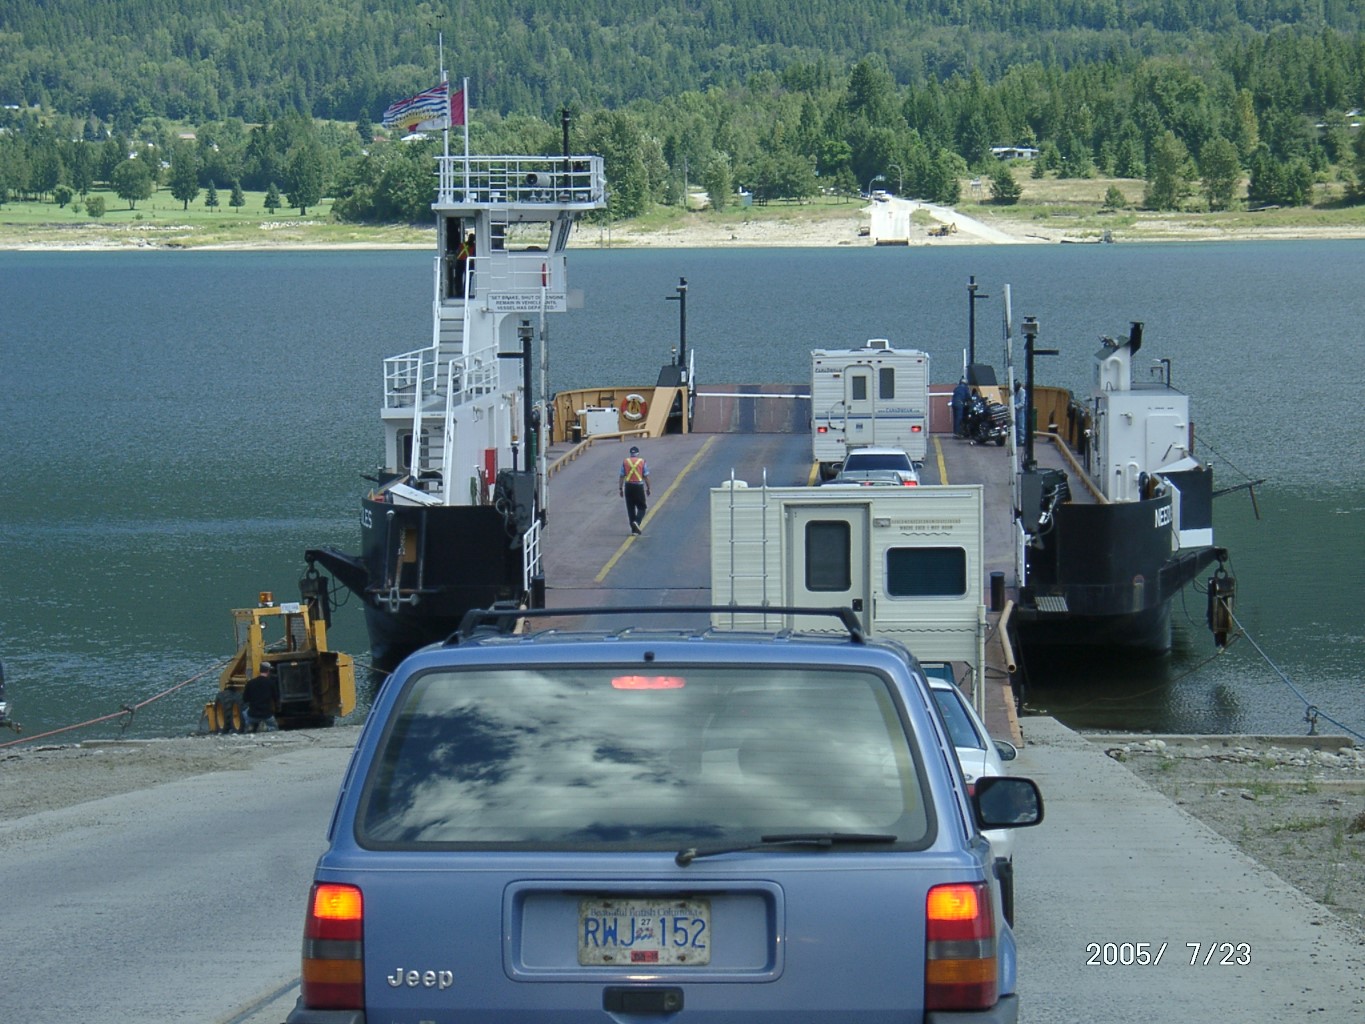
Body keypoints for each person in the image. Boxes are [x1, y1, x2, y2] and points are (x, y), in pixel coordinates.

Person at [619, 445, 651, 534]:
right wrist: (648, 488)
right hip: (638, 486)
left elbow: (621, 476)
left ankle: (633, 530)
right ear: (638, 453)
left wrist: (620, 488)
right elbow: (646, 476)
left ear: (630, 453)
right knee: (642, 507)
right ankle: (637, 522)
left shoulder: (625, 462)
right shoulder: (642, 461)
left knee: (630, 508)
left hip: (628, 486)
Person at [241, 660, 279, 733]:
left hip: (253, 714)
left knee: (244, 712)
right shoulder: (271, 683)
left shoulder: (250, 683)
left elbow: (245, 699)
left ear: (260, 670)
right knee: (273, 726)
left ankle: (249, 727)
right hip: (267, 714)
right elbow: (275, 698)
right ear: (268, 671)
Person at [1013, 380, 1028, 445]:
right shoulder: (1014, 392)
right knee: (1015, 426)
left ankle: (1022, 440)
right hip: (1015, 411)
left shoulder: (1022, 391)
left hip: (1020, 411)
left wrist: (1015, 406)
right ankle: (1017, 440)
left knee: (1021, 426)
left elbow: (1022, 403)